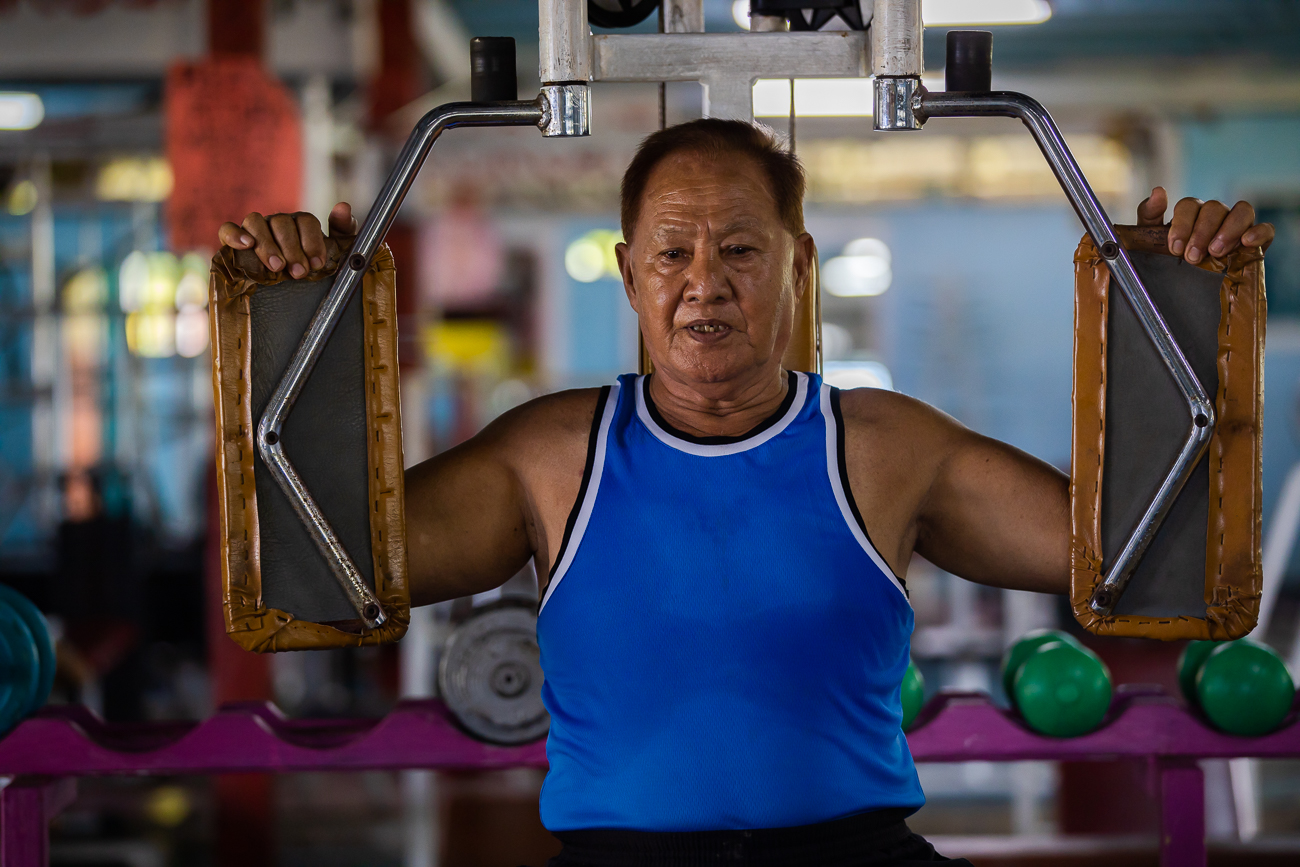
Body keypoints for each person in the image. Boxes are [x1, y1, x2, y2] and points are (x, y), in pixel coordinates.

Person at [218, 119, 1274, 865]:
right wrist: (298, 323)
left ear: (797, 262)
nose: (704, 282)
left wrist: (1178, 312)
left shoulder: (883, 448)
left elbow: (1139, 555)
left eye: (738, 249)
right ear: (629, 273)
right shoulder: (550, 454)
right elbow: (329, 570)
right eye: (671, 253)